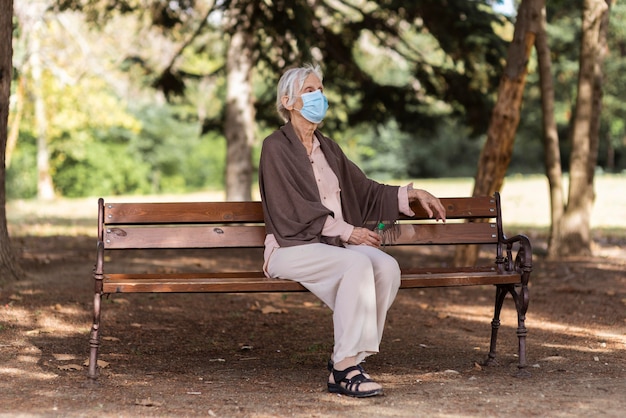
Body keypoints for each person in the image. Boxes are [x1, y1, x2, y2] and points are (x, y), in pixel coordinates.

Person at [258, 64, 446, 398]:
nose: (320, 97)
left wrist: (410, 194)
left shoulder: (328, 148)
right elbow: (295, 208)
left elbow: (366, 191)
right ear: (288, 102)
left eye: (321, 89)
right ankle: (346, 367)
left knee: (385, 267)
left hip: (331, 245)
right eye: (310, 91)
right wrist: (349, 232)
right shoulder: (275, 147)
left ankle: (347, 362)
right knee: (356, 265)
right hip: (289, 247)